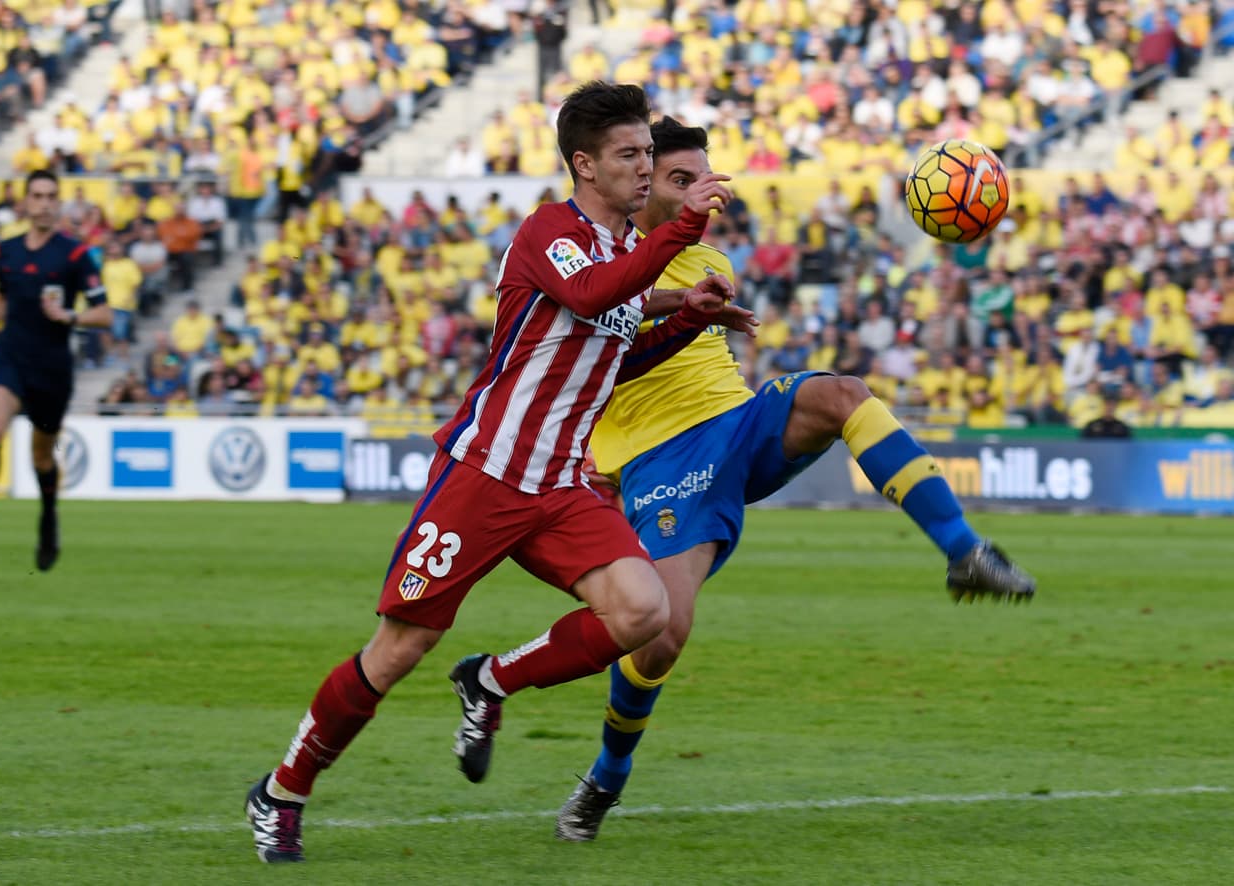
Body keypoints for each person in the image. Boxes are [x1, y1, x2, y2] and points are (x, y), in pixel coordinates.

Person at [244, 81, 755, 864]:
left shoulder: (626, 252)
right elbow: (591, 293)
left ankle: (488, 681)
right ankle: (282, 790)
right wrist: (685, 236)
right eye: (630, 155)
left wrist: (685, 318)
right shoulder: (552, 233)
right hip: (484, 474)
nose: (646, 169)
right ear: (584, 165)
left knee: (643, 612)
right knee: (396, 651)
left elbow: (615, 358)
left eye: (650, 154)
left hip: (558, 486)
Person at [552, 117, 1038, 843]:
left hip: (736, 423)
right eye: (682, 180)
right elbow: (590, 358)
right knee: (660, 636)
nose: (702, 193)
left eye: (703, 178)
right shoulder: (593, 262)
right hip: (661, 462)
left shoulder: (707, 255)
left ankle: (965, 552)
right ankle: (606, 779)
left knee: (843, 395)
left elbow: (707, 363)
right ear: (641, 182)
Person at [0, 169, 111, 570]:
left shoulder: (76, 255)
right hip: (9, 355)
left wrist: (70, 316)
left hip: (51, 365)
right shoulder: (6, 251)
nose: (44, 203)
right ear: (25, 203)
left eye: (50, 196)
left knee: (42, 457)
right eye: (37, 196)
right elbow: (0, 301)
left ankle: (48, 518)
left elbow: (105, 313)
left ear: (58, 202)